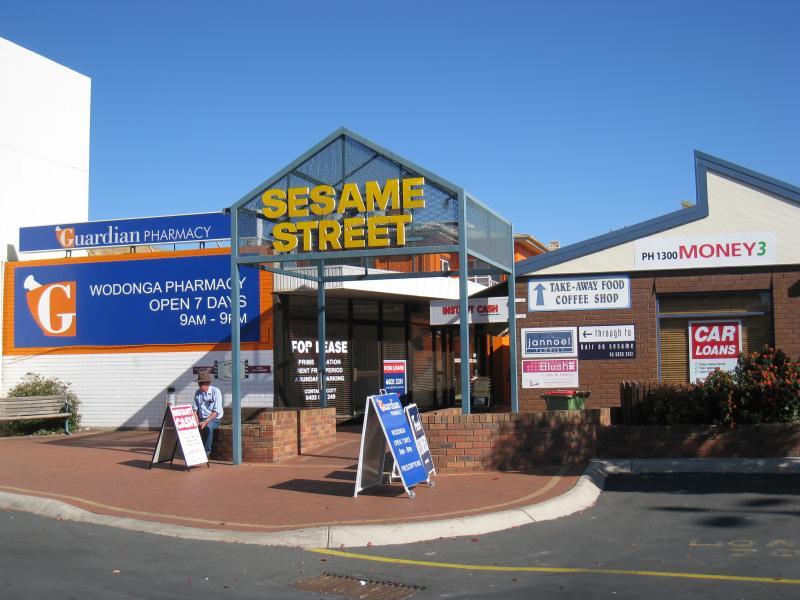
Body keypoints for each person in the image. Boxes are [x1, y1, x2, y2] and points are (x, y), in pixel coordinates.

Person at [193, 371, 223, 456]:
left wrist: (205, 421)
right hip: (201, 418)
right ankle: (192, 452)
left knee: (208, 427)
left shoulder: (216, 391)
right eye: (199, 384)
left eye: (203, 383)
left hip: (213, 419)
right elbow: (194, 409)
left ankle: (206, 452)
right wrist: (196, 422)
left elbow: (216, 412)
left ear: (208, 383)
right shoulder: (197, 392)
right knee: (189, 428)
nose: (201, 386)